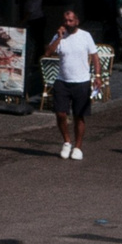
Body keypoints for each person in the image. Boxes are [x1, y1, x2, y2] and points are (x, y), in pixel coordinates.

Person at [45, 9, 97, 160]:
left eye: (70, 21)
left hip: (81, 81)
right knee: (60, 113)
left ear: (77, 21)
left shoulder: (85, 36)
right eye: (65, 21)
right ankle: (67, 141)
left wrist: (98, 76)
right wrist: (59, 38)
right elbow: (48, 53)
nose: (67, 24)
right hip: (62, 80)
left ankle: (78, 147)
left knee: (79, 116)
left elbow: (95, 56)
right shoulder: (59, 36)